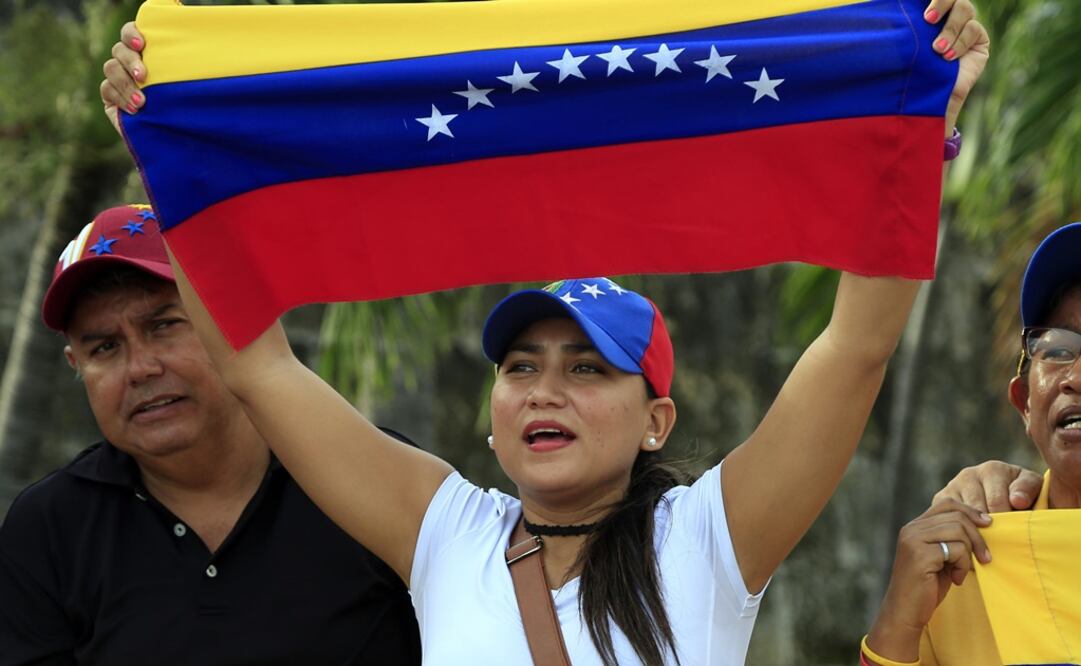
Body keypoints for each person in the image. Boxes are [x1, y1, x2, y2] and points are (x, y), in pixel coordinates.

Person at [99, 2, 988, 663]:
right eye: (520, 367)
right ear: (492, 416)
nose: (544, 391)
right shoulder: (444, 533)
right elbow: (258, 368)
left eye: (589, 369)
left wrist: (923, 124)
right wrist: (172, 159)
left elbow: (853, 347)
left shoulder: (711, 538)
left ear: (656, 422)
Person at [0, 206, 421, 665]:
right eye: (105, 347)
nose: (141, 368)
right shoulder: (49, 528)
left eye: (164, 326)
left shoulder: (371, 477)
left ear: (230, 323)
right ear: (76, 366)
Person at [863, 222, 1081, 665]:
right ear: (1024, 404)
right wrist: (897, 624)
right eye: (1057, 349)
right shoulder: (964, 567)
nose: (1076, 377)